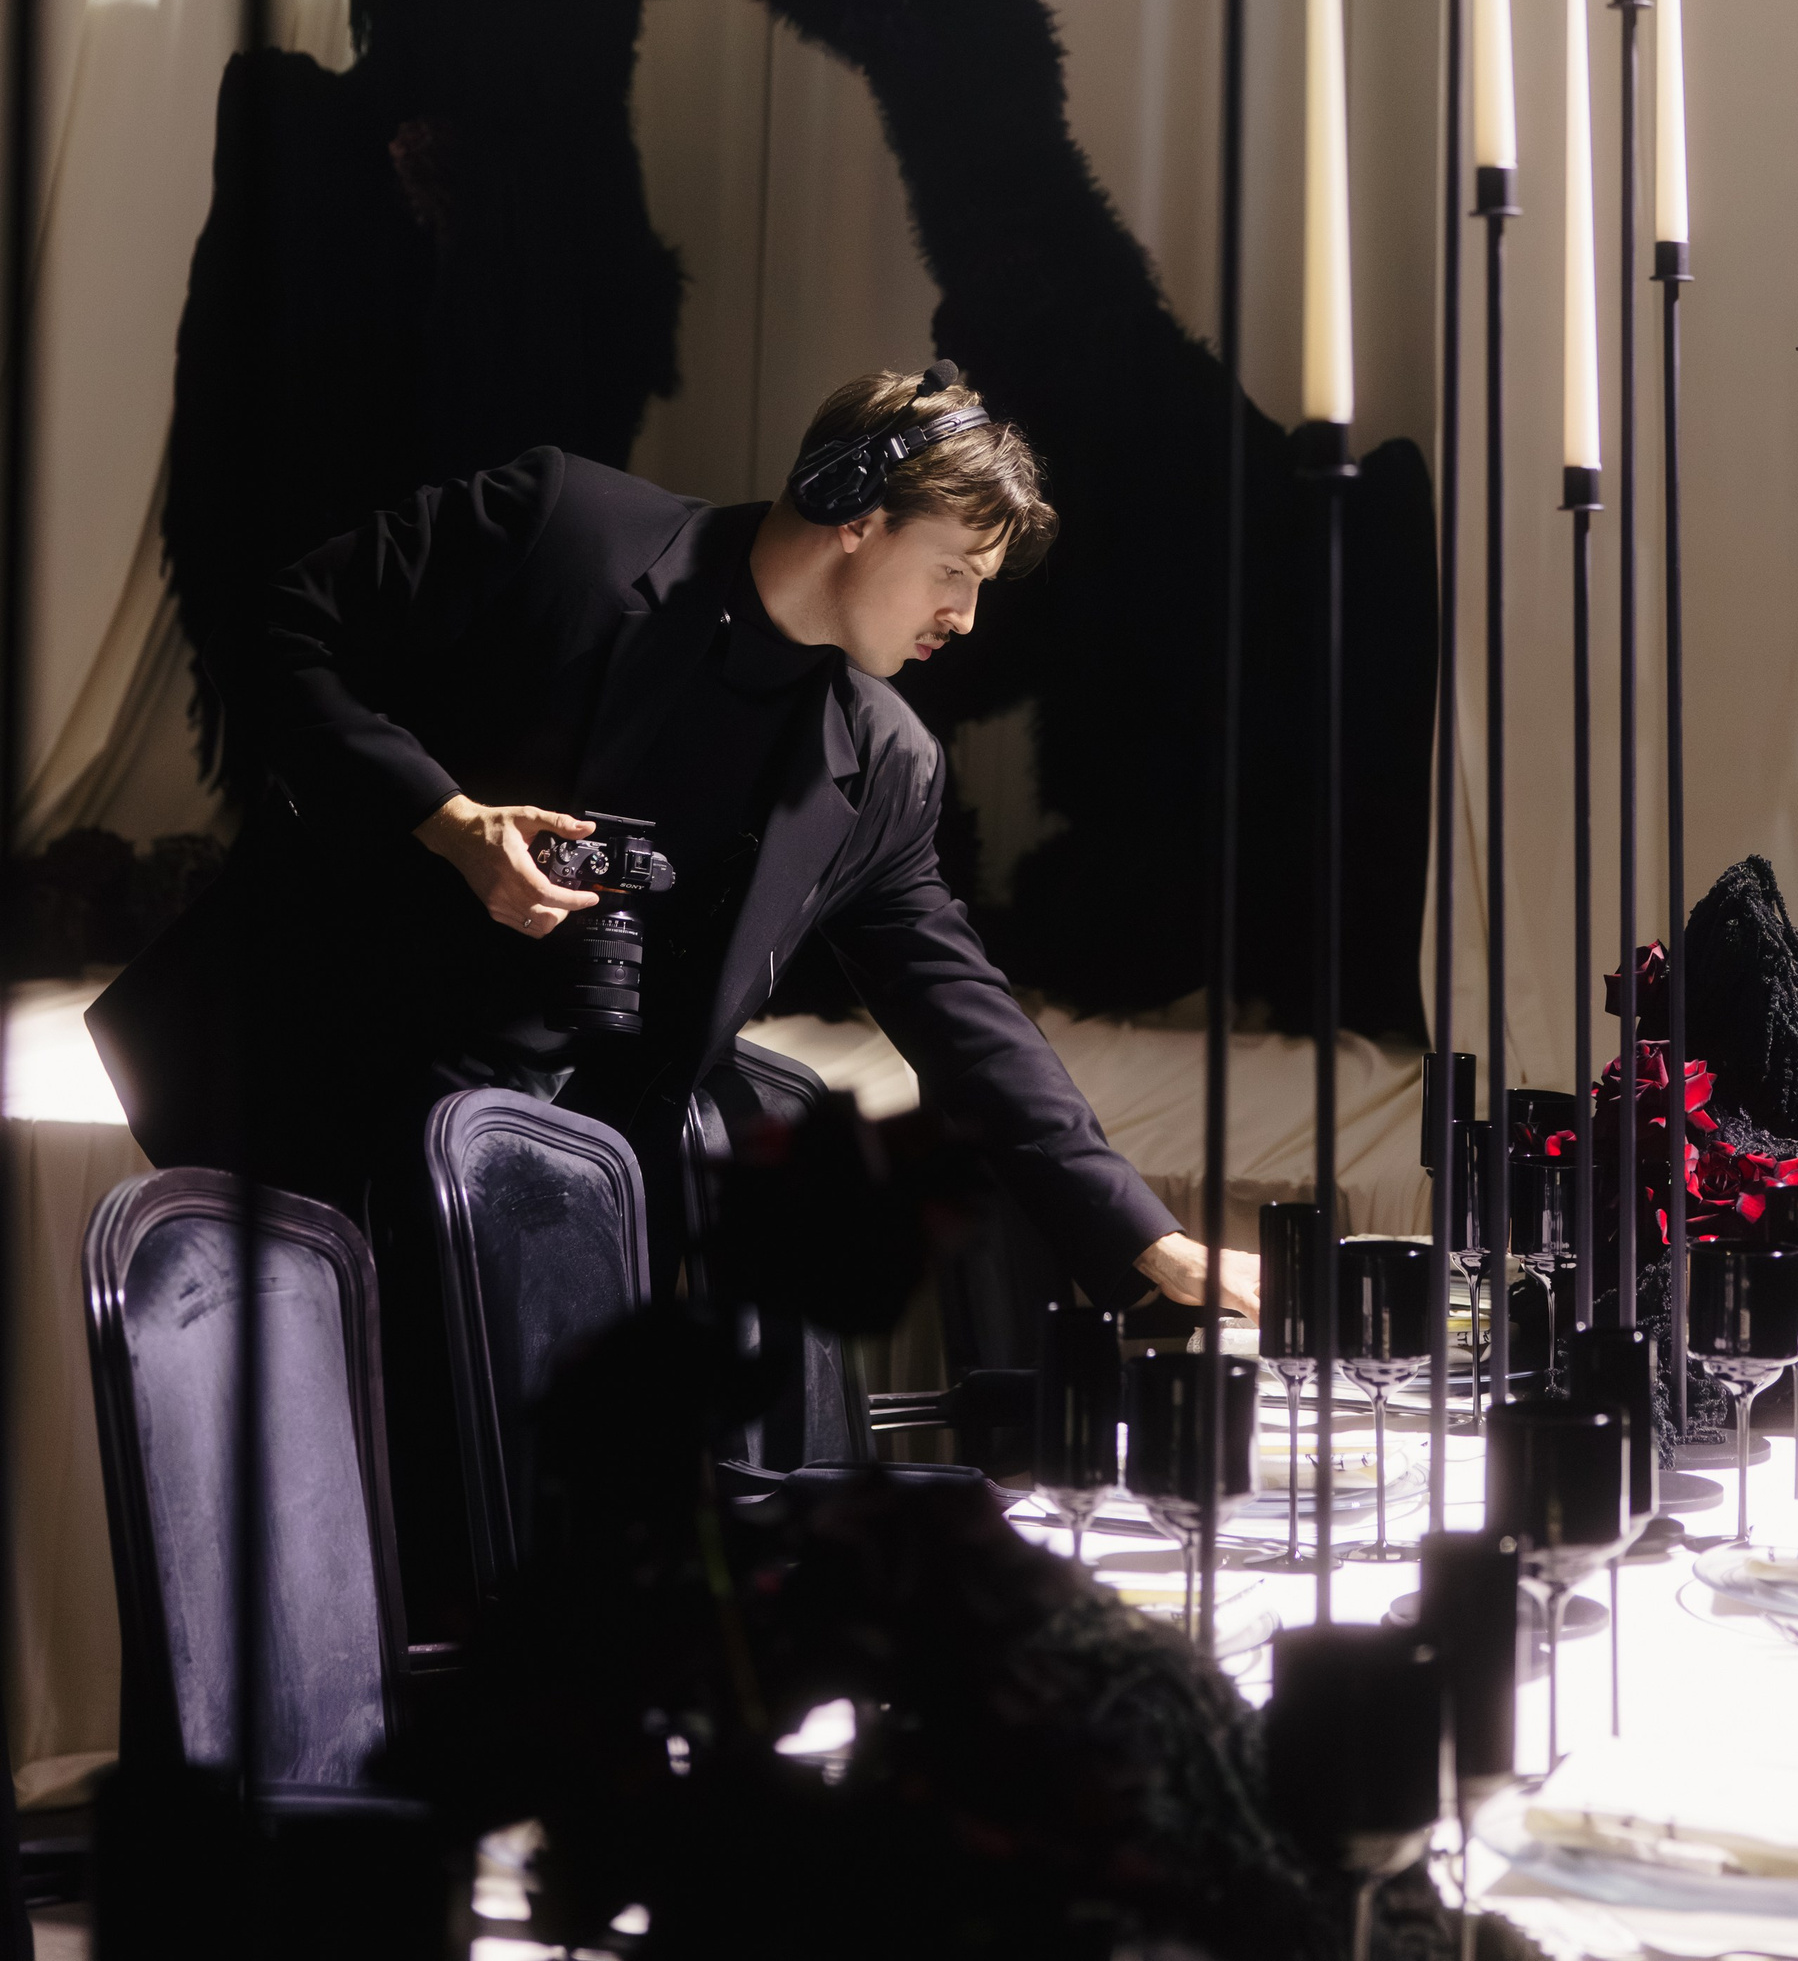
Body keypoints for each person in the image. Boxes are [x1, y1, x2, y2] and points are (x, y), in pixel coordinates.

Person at [90, 367, 1258, 1596]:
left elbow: (963, 1015)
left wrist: (1149, 1240)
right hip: (315, 1101)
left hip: (558, 1211)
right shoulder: (560, 523)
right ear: (854, 512)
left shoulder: (887, 765)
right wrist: (445, 818)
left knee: (526, 1581)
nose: (965, 618)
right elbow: (276, 630)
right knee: (285, 1573)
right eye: (956, 571)